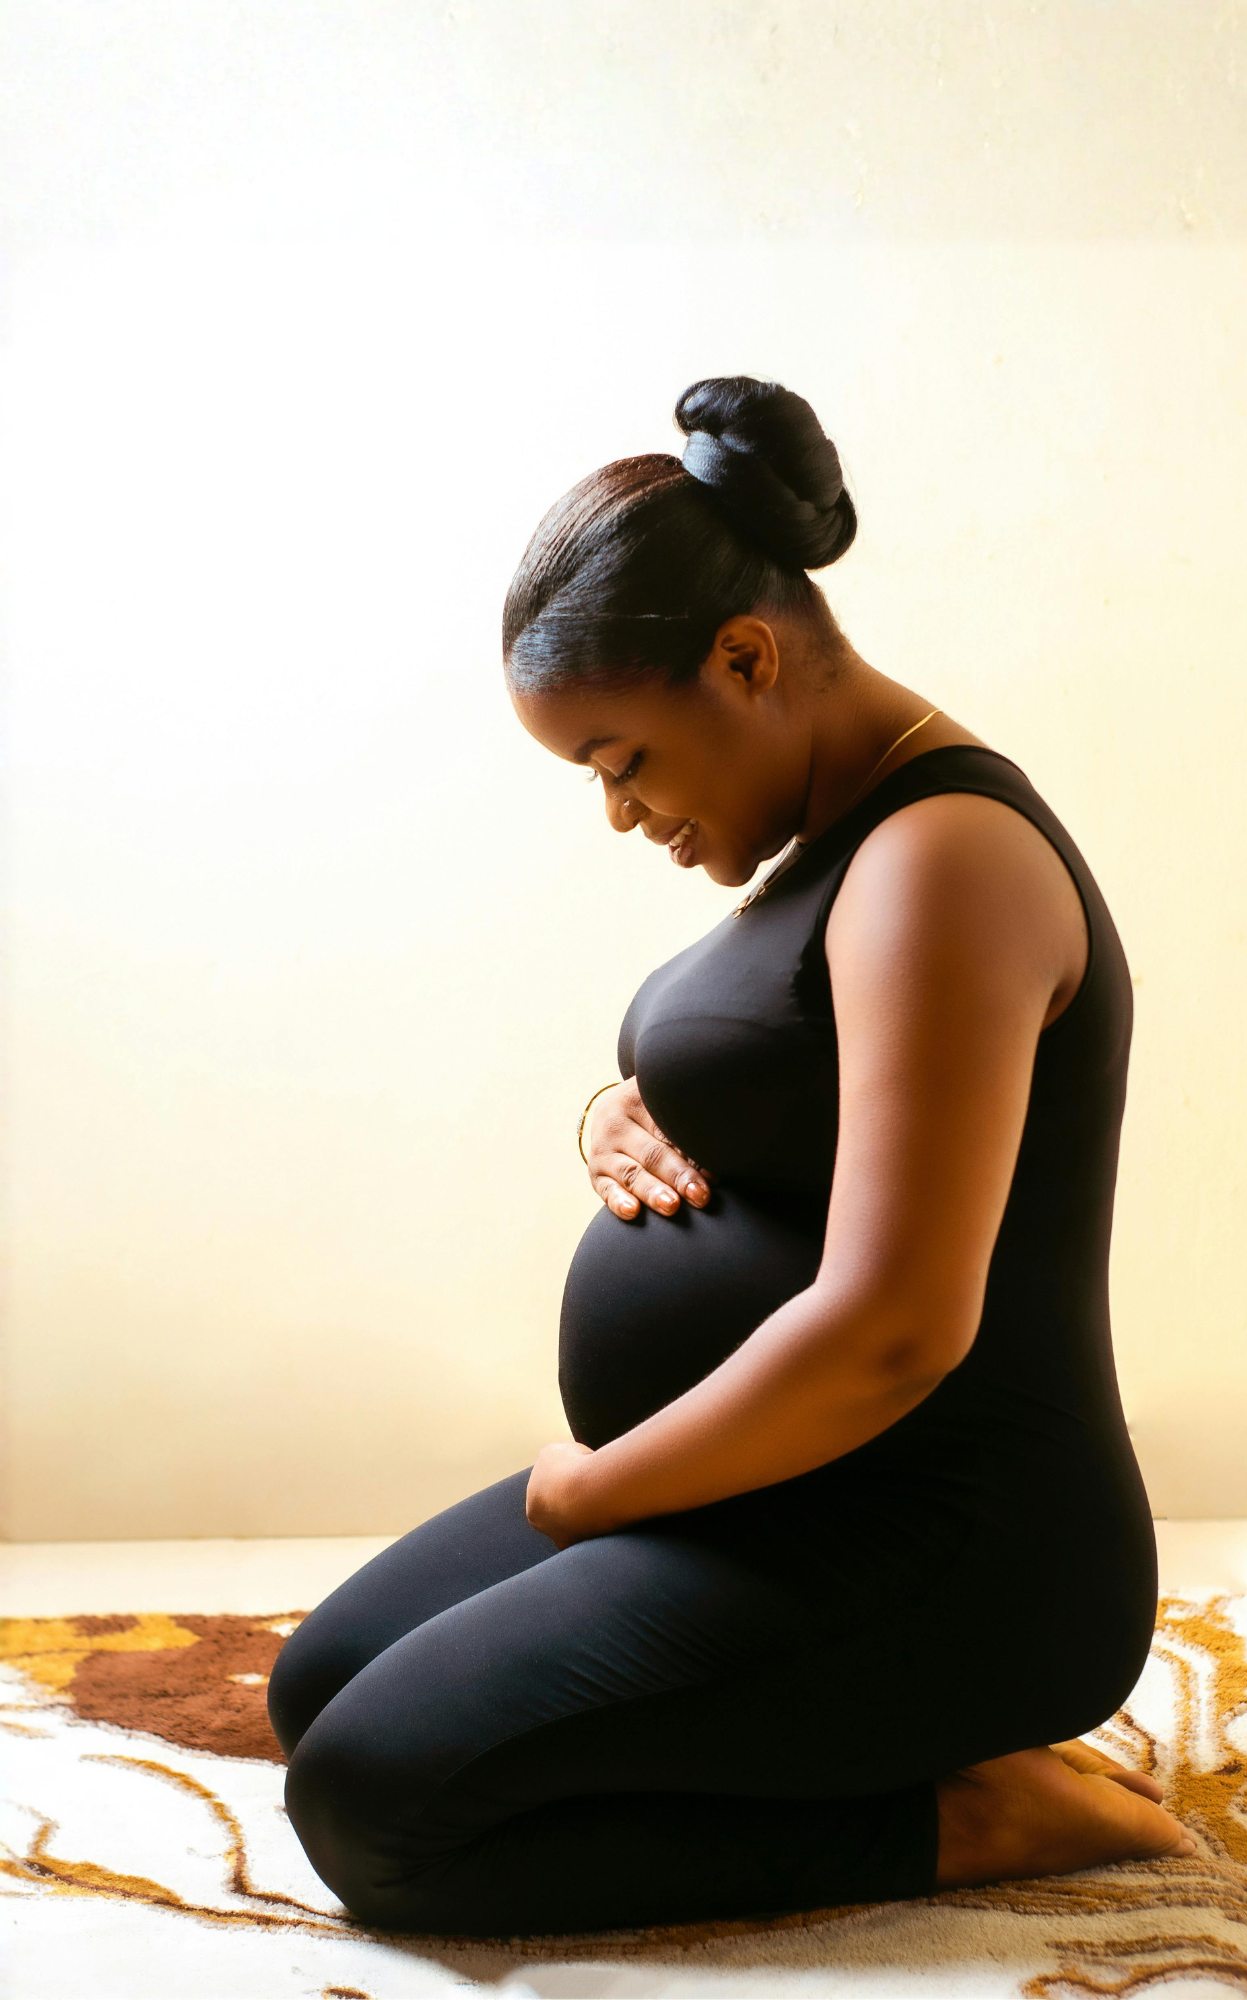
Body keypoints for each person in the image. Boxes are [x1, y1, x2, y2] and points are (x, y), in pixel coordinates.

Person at [267, 376, 1194, 1937]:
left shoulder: (944, 860)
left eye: (620, 759)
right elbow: (790, 1077)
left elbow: (897, 1329)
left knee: (379, 1815)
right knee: (320, 1689)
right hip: (772, 1490)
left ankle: (958, 1807)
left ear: (747, 659)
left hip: (935, 1542)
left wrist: (590, 1498)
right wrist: (615, 1105)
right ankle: (824, 1741)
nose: (622, 814)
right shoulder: (843, 836)